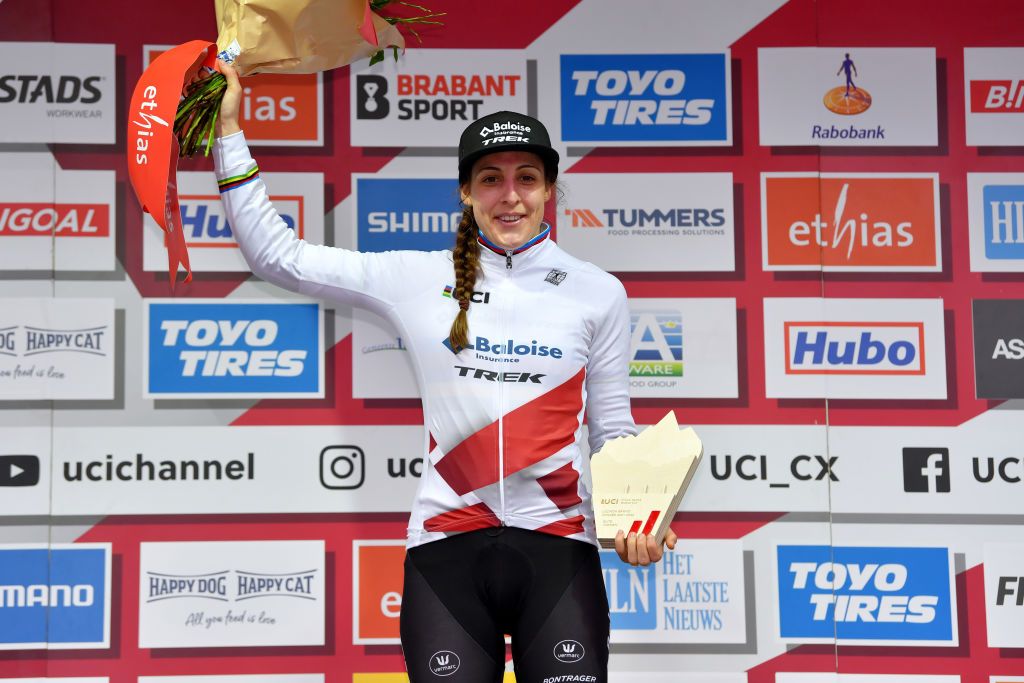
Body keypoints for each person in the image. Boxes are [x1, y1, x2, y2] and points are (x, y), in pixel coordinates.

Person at [212, 61, 677, 683]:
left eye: (527, 178)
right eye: (490, 179)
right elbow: (277, 255)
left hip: (559, 549)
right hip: (445, 551)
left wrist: (638, 513)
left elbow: (612, 429)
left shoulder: (599, 293)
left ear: (549, 190)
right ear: (465, 191)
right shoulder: (417, 278)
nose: (509, 195)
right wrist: (228, 129)